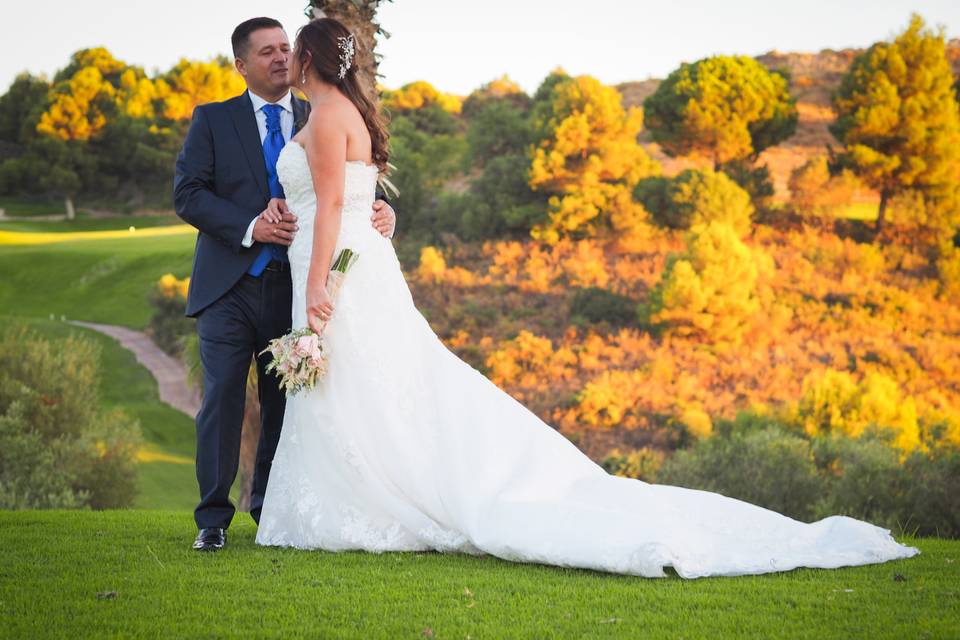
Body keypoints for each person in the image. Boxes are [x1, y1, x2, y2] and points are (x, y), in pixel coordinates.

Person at [254, 17, 920, 578]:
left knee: (366, 378)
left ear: (309, 58)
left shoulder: (329, 116)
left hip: (337, 266)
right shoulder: (348, 113)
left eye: (293, 52)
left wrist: (318, 284)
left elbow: (339, 202)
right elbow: (354, 199)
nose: (287, 60)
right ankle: (365, 498)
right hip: (353, 259)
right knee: (376, 380)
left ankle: (375, 504)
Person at [173, 16, 396, 552]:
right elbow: (190, 194)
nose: (279, 58)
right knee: (223, 398)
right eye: (267, 51)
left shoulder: (319, 110)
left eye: (284, 49)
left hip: (294, 283)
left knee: (288, 402)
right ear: (240, 63)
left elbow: (350, 189)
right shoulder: (212, 120)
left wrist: (385, 210)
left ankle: (272, 510)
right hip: (229, 285)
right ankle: (212, 519)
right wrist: (251, 225)